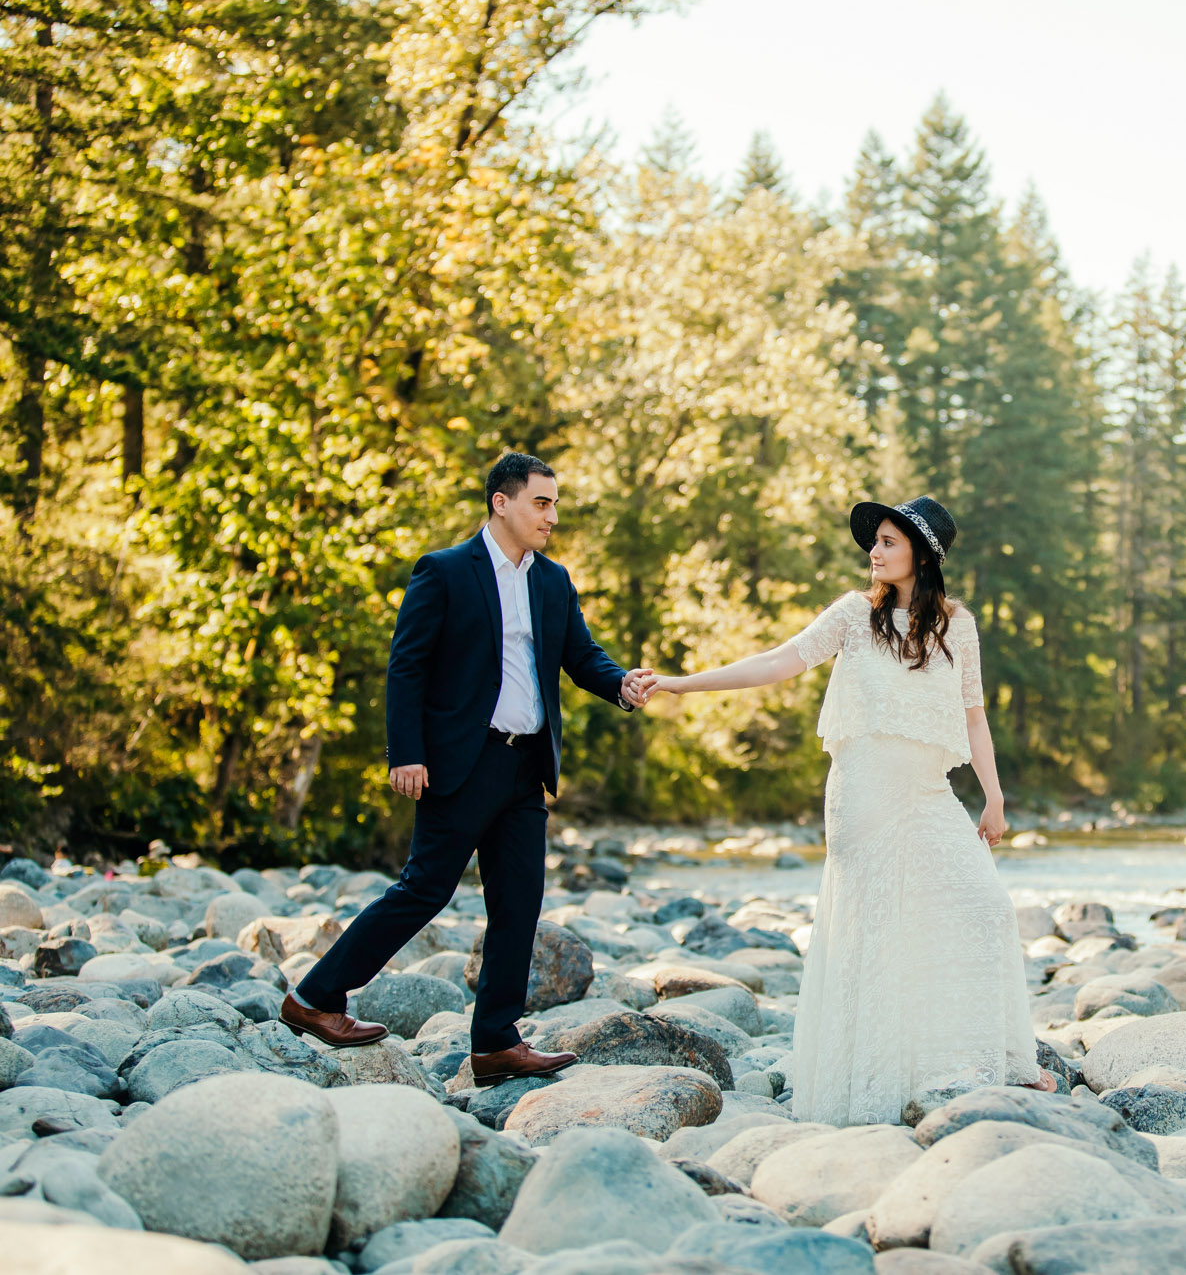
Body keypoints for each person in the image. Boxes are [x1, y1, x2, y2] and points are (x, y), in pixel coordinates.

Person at [642, 496, 1051, 1124]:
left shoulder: (956, 623)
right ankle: (873, 1083)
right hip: (862, 792)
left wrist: (993, 796)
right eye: (875, 541)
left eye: (889, 541)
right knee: (877, 928)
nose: (875, 552)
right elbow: (778, 662)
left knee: (984, 906)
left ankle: (964, 1062)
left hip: (928, 791)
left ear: (923, 552)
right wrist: (680, 682)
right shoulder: (854, 615)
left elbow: (974, 713)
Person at [281, 453, 654, 1086]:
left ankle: (495, 1046)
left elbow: (580, 656)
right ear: (500, 503)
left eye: (556, 504)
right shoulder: (446, 571)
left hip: (526, 765)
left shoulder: (553, 581)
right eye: (542, 502)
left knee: (519, 906)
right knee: (424, 889)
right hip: (460, 760)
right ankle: (316, 998)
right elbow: (408, 666)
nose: (552, 516)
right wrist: (406, 753)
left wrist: (622, 684)